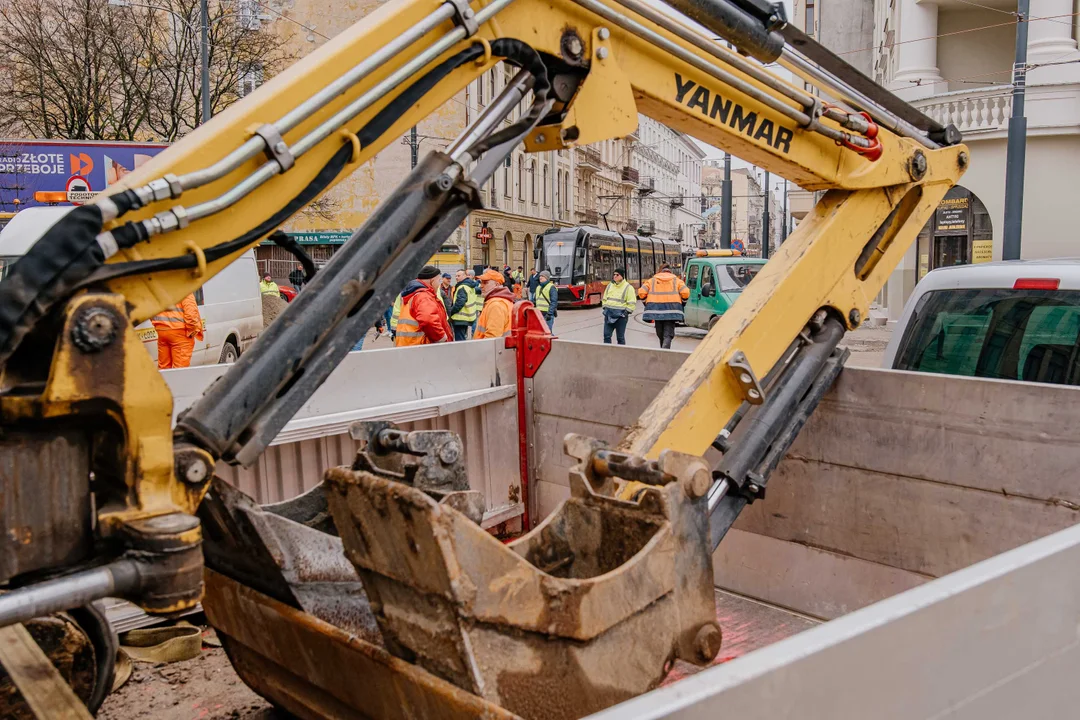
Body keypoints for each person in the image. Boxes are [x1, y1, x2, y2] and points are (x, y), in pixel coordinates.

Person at [394, 265, 452, 346]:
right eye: (439, 281)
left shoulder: (415, 293)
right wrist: (441, 338)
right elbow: (428, 320)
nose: (439, 284)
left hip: (411, 344)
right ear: (432, 281)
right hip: (421, 346)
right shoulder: (423, 296)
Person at [639, 262, 690, 349]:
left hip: (656, 311)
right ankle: (664, 351)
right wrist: (682, 303)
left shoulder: (652, 281)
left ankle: (663, 351)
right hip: (672, 310)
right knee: (668, 335)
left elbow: (641, 292)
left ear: (660, 271)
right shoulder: (677, 280)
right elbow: (685, 293)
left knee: (660, 333)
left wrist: (646, 303)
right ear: (670, 271)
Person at [152, 293, 204, 369]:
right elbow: (191, 314)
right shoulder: (184, 290)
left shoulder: (159, 290)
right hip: (180, 335)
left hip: (162, 332)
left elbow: (150, 311)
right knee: (180, 370)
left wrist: (159, 326)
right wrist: (192, 330)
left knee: (164, 368)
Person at [475, 269, 516, 339]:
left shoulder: (496, 305)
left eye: (485, 283)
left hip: (488, 348)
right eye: (481, 282)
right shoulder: (502, 300)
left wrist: (479, 349)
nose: (481, 286)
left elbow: (491, 338)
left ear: (497, 284)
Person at [601, 267, 636, 345]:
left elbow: (632, 302)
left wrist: (626, 313)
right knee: (606, 335)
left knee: (620, 338)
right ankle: (607, 353)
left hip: (621, 317)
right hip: (609, 314)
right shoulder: (610, 285)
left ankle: (621, 354)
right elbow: (604, 298)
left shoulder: (628, 288)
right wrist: (605, 307)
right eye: (614, 274)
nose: (615, 276)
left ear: (622, 276)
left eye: (617, 275)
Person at [448, 269, 480, 342]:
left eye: (458, 276)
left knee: (460, 341)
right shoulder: (469, 285)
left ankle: (461, 353)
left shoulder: (462, 287)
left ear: (465, 276)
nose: (456, 277)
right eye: (456, 276)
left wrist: (451, 312)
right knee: (463, 340)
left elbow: (460, 302)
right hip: (467, 317)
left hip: (460, 318)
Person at [466, 269, 483, 336]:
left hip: (475, 305)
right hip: (469, 304)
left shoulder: (476, 284)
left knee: (474, 321)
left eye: (469, 275)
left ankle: (473, 334)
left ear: (473, 276)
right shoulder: (468, 283)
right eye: (466, 275)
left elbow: (479, 291)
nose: (467, 276)